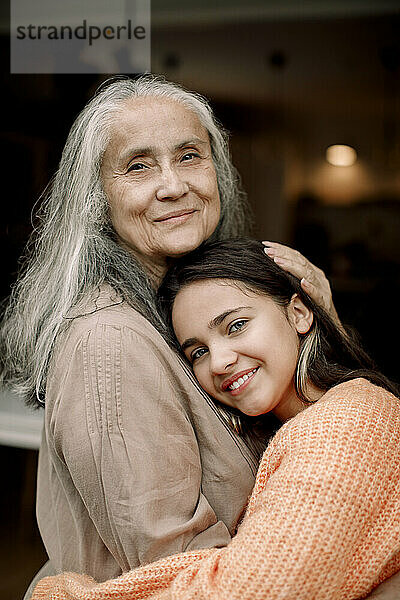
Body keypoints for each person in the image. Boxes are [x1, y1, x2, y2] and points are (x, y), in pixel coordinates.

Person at [0, 75, 340, 598]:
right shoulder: (108, 342)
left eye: (189, 156)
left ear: (218, 175)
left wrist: (325, 325)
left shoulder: (187, 317)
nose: (173, 185)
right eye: (138, 165)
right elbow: (180, 573)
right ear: (96, 198)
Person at [32, 239, 400, 600]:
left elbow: (251, 592)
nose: (219, 362)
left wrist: (66, 593)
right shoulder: (316, 417)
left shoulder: (343, 426)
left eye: (236, 325)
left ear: (300, 313)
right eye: (198, 352)